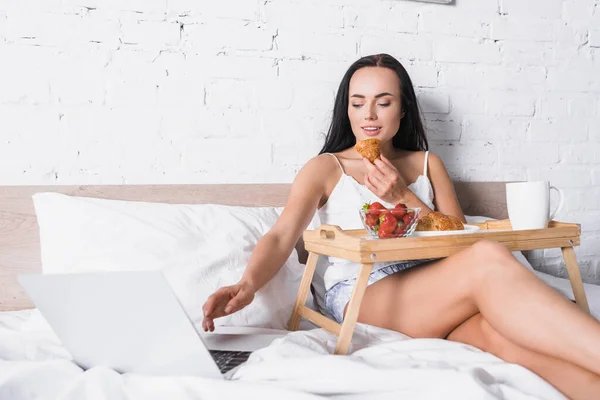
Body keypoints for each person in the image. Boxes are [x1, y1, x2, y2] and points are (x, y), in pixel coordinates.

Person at [202, 53, 600, 399]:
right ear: (348, 110)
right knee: (490, 258)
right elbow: (280, 235)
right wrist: (247, 285)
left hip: (438, 292)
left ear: (403, 108)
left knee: (507, 341)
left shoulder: (428, 164)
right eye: (358, 104)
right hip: (367, 293)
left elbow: (458, 240)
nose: (369, 116)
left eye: (383, 102)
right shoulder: (326, 167)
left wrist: (404, 197)